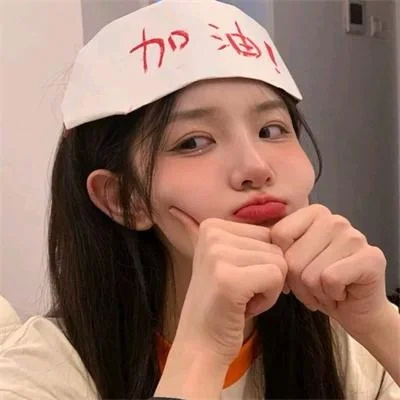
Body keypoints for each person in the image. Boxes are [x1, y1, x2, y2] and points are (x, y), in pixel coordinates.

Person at [1, 0, 399, 399]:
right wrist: (202, 352)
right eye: (193, 142)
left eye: (271, 130)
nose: (256, 166)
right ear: (123, 199)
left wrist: (379, 323)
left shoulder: (348, 339)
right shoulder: (42, 371)